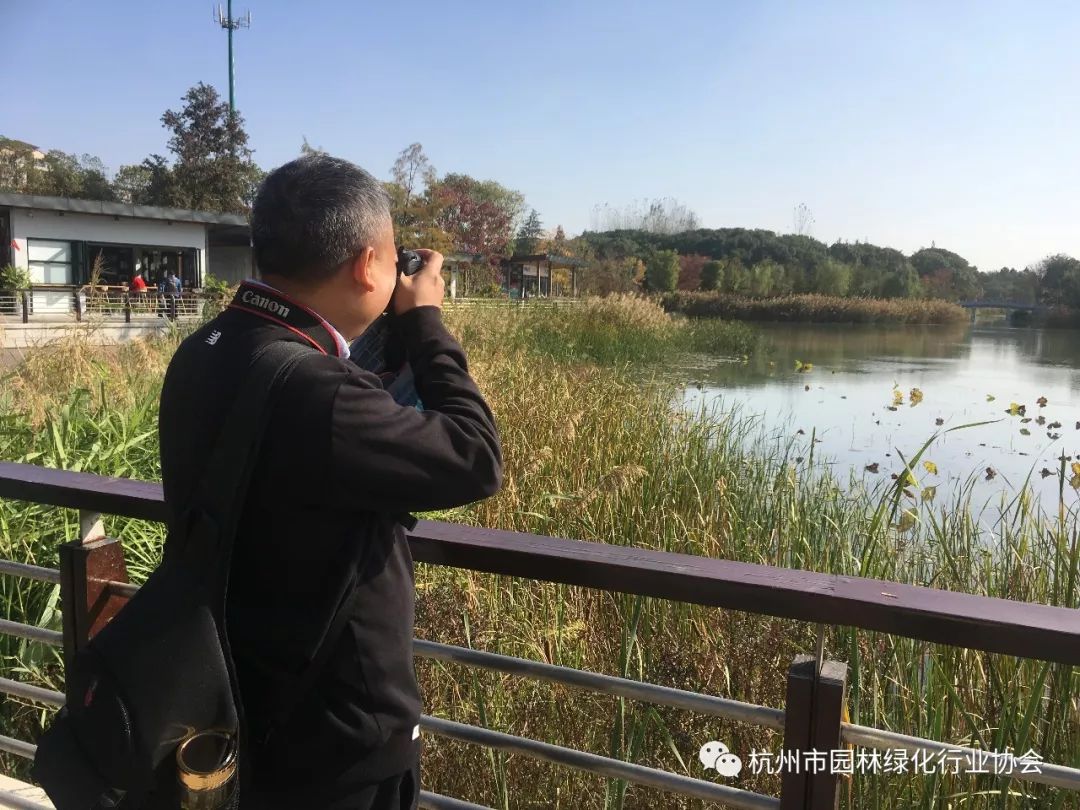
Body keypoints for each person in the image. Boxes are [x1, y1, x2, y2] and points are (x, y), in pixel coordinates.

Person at [157, 154, 503, 810]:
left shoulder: (206, 349)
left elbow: (326, 434)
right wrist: (427, 322)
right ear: (367, 264)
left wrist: (393, 335)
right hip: (337, 743)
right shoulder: (323, 397)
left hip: (241, 703)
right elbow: (475, 456)